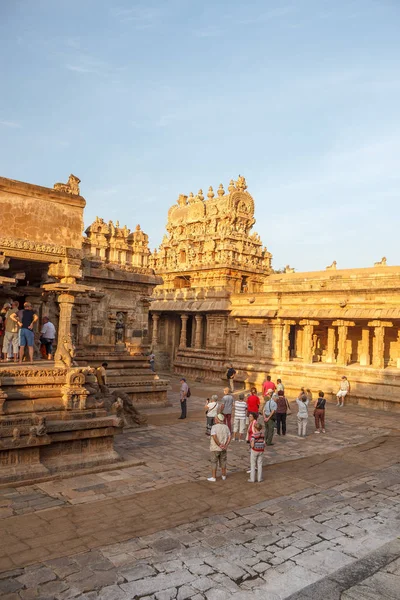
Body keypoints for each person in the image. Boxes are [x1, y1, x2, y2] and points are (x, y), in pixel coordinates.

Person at [208, 413, 231, 482]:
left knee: (214, 462)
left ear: (217, 420)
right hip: (224, 448)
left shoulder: (214, 427)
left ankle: (214, 477)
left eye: (216, 419)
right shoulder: (226, 427)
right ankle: (223, 475)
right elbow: (229, 437)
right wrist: (226, 445)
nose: (215, 419)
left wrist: (219, 444)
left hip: (215, 448)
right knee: (223, 461)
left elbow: (214, 437)